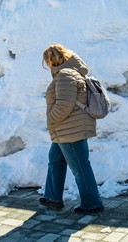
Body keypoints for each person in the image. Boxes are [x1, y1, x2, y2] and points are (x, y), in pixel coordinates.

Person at [40, 44, 104, 214]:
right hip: (67, 129)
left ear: (51, 60)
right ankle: (53, 198)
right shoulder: (68, 72)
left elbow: (64, 105)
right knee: (55, 159)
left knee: (80, 167)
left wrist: (50, 120)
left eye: (46, 61)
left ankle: (92, 203)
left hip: (70, 130)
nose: (46, 65)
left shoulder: (65, 75)